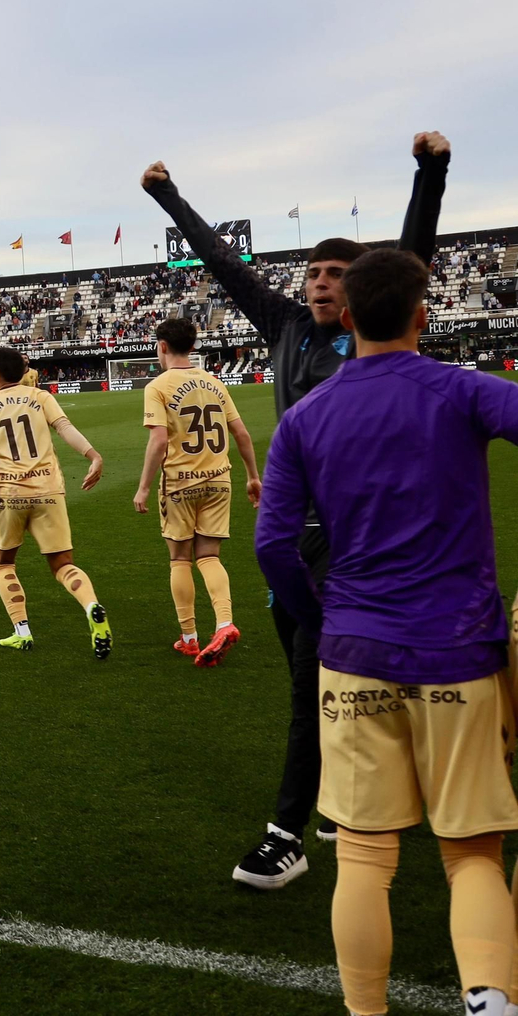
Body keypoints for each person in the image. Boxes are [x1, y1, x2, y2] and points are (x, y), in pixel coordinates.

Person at [143, 131, 451, 887]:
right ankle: (354, 795)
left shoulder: (372, 339)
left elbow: (413, 257)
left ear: (364, 290)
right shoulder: (282, 326)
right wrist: (167, 195)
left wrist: (430, 174)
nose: (320, 283)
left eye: (336, 274)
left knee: (316, 692)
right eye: (313, 272)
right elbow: (223, 263)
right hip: (293, 539)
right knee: (317, 683)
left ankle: (288, 833)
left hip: (358, 542)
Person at [256, 248, 518, 1016]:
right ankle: (490, 999)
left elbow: (273, 546)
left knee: (365, 856)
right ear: (422, 316)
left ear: (346, 316)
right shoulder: (462, 388)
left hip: (353, 655)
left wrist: (320, 617)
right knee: (472, 853)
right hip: (459, 652)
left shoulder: (305, 417)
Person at [0, 347, 110, 657]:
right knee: (63, 565)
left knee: (4, 564)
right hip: (49, 491)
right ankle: (91, 605)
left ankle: (22, 631)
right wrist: (93, 456)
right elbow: (65, 428)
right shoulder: (40, 397)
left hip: (9, 495)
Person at [132, 318, 261, 667]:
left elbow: (159, 440)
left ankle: (189, 638)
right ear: (192, 346)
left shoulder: (158, 386)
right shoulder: (215, 383)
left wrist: (144, 487)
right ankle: (224, 623)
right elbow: (242, 434)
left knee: (180, 559)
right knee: (209, 557)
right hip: (219, 480)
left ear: (162, 346)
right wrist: (252, 476)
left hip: (180, 482)